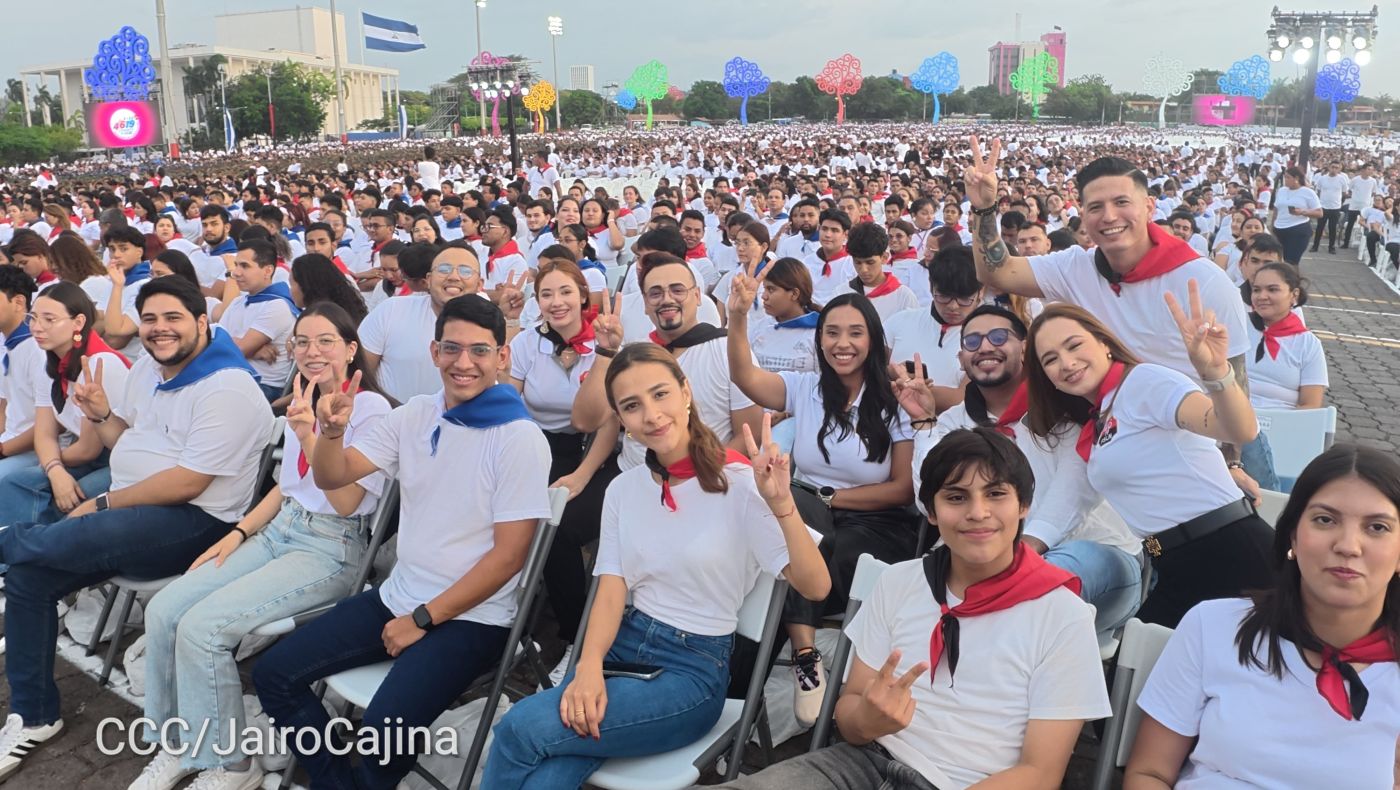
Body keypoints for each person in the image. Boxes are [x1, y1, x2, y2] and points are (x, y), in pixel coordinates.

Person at [482, 346, 830, 789]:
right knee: (551, 767)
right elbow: (611, 587)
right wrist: (588, 665)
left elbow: (815, 587)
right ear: (621, 420)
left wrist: (782, 505)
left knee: (518, 732)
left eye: (660, 394)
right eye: (632, 405)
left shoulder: (740, 484)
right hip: (618, 643)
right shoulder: (624, 489)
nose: (651, 414)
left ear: (686, 393)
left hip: (691, 670)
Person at [252, 295, 553, 789]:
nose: (463, 363)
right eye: (451, 348)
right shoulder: (416, 413)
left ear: (502, 357)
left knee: (385, 732)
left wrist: (422, 619)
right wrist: (329, 432)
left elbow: (508, 559)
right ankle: (337, 781)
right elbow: (335, 478)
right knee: (274, 675)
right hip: (398, 597)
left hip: (471, 619)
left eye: (480, 351)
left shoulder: (519, 438)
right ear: (434, 352)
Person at [709, 428, 1111, 790]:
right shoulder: (900, 582)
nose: (977, 512)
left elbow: (1040, 775)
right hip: (859, 765)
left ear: (1023, 505)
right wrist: (869, 719)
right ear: (932, 513)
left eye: (996, 494)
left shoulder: (1063, 615)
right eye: (956, 497)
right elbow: (848, 718)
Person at [0, 277, 272, 781]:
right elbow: (127, 441)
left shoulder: (229, 387)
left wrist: (103, 502)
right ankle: (36, 715)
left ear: (202, 321)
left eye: (173, 318)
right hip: (135, 515)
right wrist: (101, 415)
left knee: (82, 531)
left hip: (197, 524)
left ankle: (6, 542)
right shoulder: (150, 368)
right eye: (149, 319)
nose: (158, 329)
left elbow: (189, 483)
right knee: (28, 579)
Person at [130, 303, 391, 790]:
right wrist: (238, 532)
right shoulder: (304, 395)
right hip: (279, 531)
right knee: (164, 609)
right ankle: (180, 743)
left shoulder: (372, 410)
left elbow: (347, 496)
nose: (311, 352)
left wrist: (313, 434)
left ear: (351, 349)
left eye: (325, 341)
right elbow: (284, 488)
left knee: (205, 630)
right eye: (302, 342)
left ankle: (232, 765)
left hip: (329, 545)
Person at [964, 138, 1265, 499]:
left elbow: (1235, 380)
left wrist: (1231, 463)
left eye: (1122, 203)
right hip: (1114, 444)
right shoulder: (1075, 267)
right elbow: (998, 273)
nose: (1109, 217)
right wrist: (983, 209)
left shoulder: (1204, 283)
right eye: (1095, 207)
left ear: (1149, 206)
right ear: (1082, 214)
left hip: (1195, 443)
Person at [1124, 444, 1400, 790]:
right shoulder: (1212, 627)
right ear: (1292, 538)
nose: (1348, 545)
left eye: (1377, 527)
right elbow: (1149, 773)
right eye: (1325, 520)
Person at [727, 273, 916, 726]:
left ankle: (744, 694)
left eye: (855, 333)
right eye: (831, 333)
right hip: (806, 517)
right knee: (790, 539)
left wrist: (833, 498)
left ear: (872, 339)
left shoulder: (893, 401)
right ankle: (801, 654)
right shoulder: (806, 388)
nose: (842, 343)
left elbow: (902, 488)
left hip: (876, 523)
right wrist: (736, 317)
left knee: (791, 538)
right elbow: (746, 377)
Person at [900, 303, 1144, 643]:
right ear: (961, 359)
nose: (985, 347)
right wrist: (924, 424)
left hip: (1094, 555)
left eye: (999, 337)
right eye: (972, 341)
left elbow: (1072, 492)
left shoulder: (1066, 404)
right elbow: (930, 498)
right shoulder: (954, 422)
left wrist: (1014, 558)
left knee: (1047, 575)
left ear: (1025, 349)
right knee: (909, 589)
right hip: (989, 561)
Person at [1023, 298, 1274, 627]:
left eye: (1074, 345)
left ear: (1104, 343)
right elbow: (1066, 505)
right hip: (1169, 562)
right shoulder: (1093, 430)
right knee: (1145, 668)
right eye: (1051, 360)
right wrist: (1016, 558)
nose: (1067, 363)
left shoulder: (1144, 382)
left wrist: (1217, 374)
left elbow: (1235, 428)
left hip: (1233, 552)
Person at [506, 259, 622, 686]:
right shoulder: (526, 344)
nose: (557, 302)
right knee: (507, 512)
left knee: (557, 527)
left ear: (582, 295)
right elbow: (511, 404)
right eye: (546, 294)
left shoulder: (607, 342)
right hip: (538, 447)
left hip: (595, 454)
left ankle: (575, 637)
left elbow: (609, 421)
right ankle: (509, 617)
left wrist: (584, 475)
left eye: (565, 292)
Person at [573, 253, 760, 472]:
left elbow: (750, 434)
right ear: (645, 304)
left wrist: (693, 476)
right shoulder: (635, 355)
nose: (667, 299)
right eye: (655, 293)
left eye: (678, 290)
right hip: (631, 474)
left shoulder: (727, 350)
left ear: (698, 296)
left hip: (705, 475)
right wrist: (605, 352)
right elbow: (585, 422)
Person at [0, 281, 128, 527]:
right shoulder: (51, 364)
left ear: (78, 323)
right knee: (16, 483)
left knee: (69, 498)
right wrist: (54, 469)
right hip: (83, 455)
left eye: (49, 319)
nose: (37, 327)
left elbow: (89, 449)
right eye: (34, 318)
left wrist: (53, 467)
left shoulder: (99, 364)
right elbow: (45, 432)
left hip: (116, 457)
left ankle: (25, 554)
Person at [359, 241, 484, 402]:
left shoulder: (488, 323)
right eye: (444, 269)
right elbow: (359, 374)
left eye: (465, 271)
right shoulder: (390, 311)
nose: (453, 277)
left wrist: (512, 320)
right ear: (429, 279)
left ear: (479, 284)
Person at [884, 246, 982, 414]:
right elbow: (870, 373)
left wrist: (906, 385)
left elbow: (964, 398)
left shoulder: (986, 338)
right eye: (943, 296)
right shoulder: (899, 321)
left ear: (981, 292)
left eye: (964, 299)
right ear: (931, 287)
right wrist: (888, 373)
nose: (953, 306)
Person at [216, 239, 298, 401]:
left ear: (268, 271)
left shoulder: (277, 305)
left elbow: (237, 350)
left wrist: (243, 348)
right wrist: (254, 351)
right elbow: (213, 344)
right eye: (236, 265)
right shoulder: (239, 302)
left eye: (245, 266)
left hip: (264, 386)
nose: (236, 272)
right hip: (235, 378)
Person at [0, 267, 44, 485]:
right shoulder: (11, 344)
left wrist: (3, 449)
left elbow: (52, 421)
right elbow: (6, 406)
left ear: (18, 302)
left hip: (38, 449)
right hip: (11, 442)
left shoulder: (37, 348)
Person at [837, 222, 918, 321]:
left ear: (884, 258)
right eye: (858, 262)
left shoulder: (904, 297)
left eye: (870, 262)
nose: (863, 270)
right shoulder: (841, 293)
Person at [289, 252, 369, 325]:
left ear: (305, 285)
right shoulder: (347, 311)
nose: (290, 290)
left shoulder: (316, 321)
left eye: (291, 284)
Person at [1270, 167, 1323, 265]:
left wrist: (1303, 212)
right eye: (1285, 177)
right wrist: (1272, 226)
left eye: (1288, 177)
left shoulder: (1308, 192)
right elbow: (1276, 210)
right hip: (1279, 228)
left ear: (1296, 178)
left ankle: (1292, 279)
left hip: (1297, 229)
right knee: (1278, 261)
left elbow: (1319, 213)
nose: (1285, 180)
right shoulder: (1282, 190)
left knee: (1291, 262)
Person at [803, 209, 854, 304]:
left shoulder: (853, 263)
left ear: (845, 234)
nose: (827, 235)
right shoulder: (806, 262)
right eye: (824, 229)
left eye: (835, 230)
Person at [1310, 161, 1348, 254]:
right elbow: (1318, 191)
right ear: (1329, 167)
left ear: (1339, 169)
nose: (1334, 169)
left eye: (1336, 167)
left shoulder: (1342, 179)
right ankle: (1315, 246)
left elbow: (1344, 193)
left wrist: (1339, 203)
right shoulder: (1322, 179)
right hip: (1323, 206)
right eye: (1333, 167)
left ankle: (1331, 247)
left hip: (1335, 207)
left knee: (1332, 228)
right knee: (1320, 227)